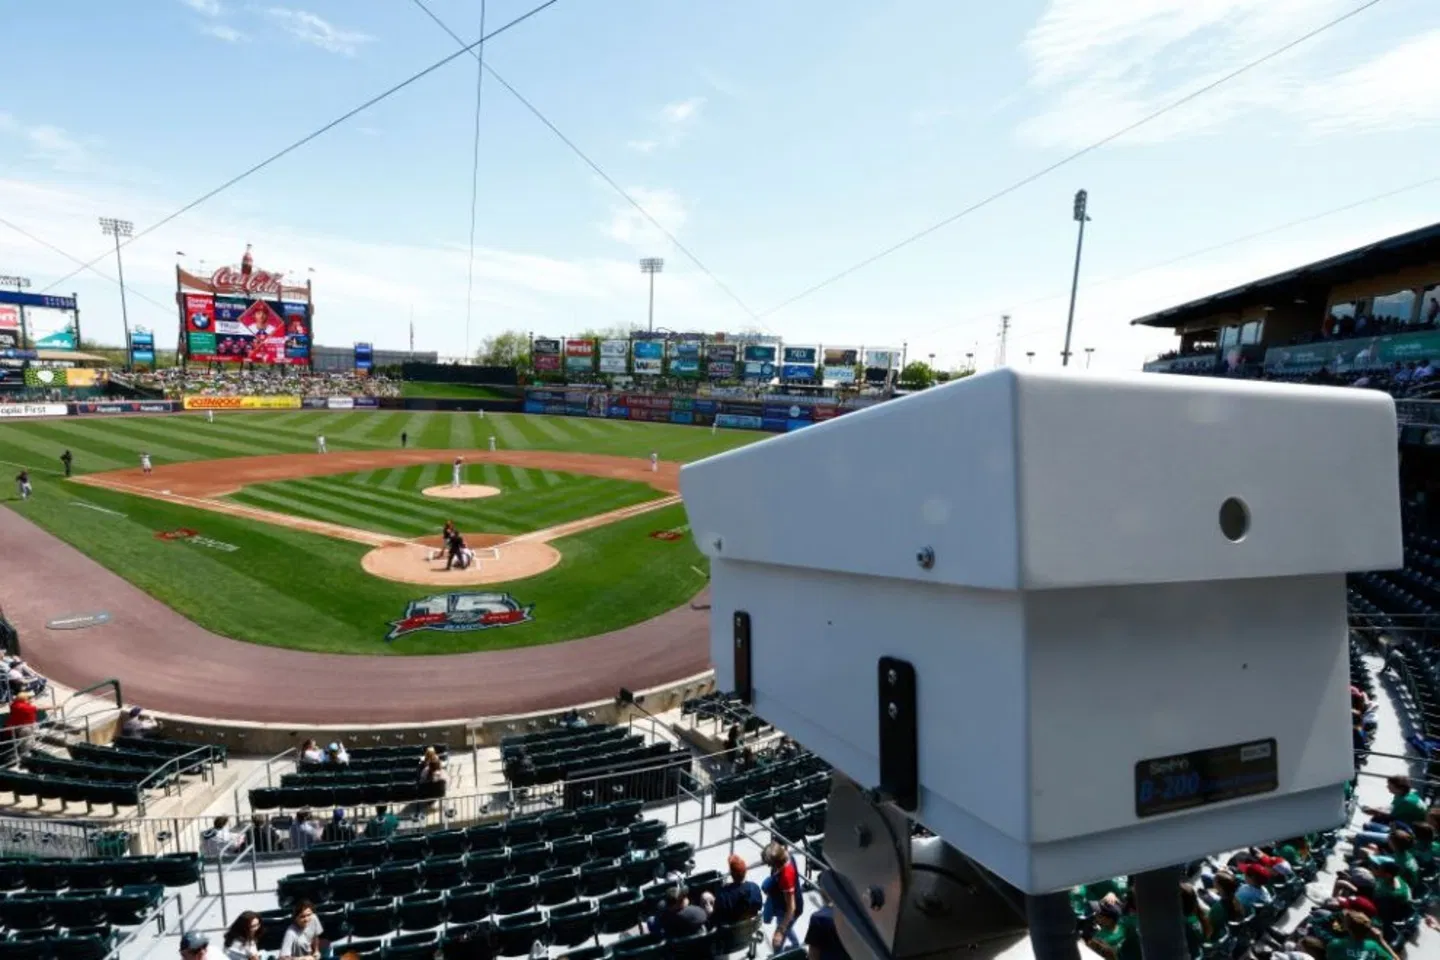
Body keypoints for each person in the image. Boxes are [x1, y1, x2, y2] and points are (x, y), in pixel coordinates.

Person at [762, 842, 803, 950]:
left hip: (786, 911)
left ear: (777, 863)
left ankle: (784, 952)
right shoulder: (786, 855)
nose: (768, 866)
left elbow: (791, 908)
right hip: (785, 904)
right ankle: (796, 946)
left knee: (777, 944)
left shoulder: (786, 877)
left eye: (770, 864)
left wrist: (780, 931)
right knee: (788, 930)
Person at [708, 854, 762, 925]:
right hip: (752, 926)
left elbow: (718, 915)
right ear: (745, 872)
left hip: (733, 931)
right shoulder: (755, 888)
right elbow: (758, 907)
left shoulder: (724, 895)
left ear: (731, 874)